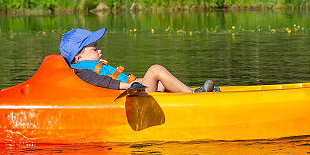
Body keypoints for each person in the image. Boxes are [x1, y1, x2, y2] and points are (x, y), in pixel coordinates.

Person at [59, 27, 218, 93]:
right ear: (78, 58)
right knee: (155, 70)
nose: (99, 50)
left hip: (136, 92)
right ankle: (195, 97)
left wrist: (136, 81)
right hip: (134, 97)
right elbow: (102, 82)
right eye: (94, 49)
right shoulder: (82, 72)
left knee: (163, 84)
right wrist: (128, 85)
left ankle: (192, 93)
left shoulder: (91, 66)